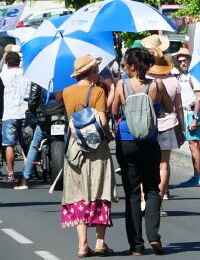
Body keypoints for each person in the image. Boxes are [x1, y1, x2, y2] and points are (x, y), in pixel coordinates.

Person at [108, 47, 173, 256]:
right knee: (153, 188)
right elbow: (170, 108)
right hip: (150, 141)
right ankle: (153, 235)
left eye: (126, 64)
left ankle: (136, 245)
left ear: (133, 66)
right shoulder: (156, 84)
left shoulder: (121, 85)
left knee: (133, 194)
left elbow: (114, 110)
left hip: (126, 141)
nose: (124, 67)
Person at [60, 55, 117, 257]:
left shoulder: (67, 92)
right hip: (96, 148)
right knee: (99, 190)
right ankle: (100, 242)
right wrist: (110, 136)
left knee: (79, 193)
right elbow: (102, 122)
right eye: (96, 70)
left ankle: (82, 245)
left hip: (76, 148)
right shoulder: (98, 91)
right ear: (91, 72)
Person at [146, 44, 183, 200]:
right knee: (164, 164)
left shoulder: (146, 80)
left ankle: (145, 198)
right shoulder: (174, 81)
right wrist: (182, 127)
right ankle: (158, 201)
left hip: (147, 126)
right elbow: (178, 107)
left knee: (147, 164)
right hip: (168, 124)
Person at [173, 48, 200, 187]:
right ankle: (197, 175)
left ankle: (199, 177)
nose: (182, 63)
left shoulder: (194, 76)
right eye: (180, 61)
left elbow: (199, 99)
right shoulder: (181, 76)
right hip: (185, 113)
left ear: (190, 60)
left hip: (193, 113)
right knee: (192, 145)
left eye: (185, 60)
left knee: (194, 145)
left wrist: (195, 118)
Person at [0, 50, 28, 182]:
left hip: (8, 112)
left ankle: (11, 173)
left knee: (9, 144)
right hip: (25, 111)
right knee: (26, 143)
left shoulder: (2, 76)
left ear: (7, 62)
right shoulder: (26, 74)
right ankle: (27, 171)